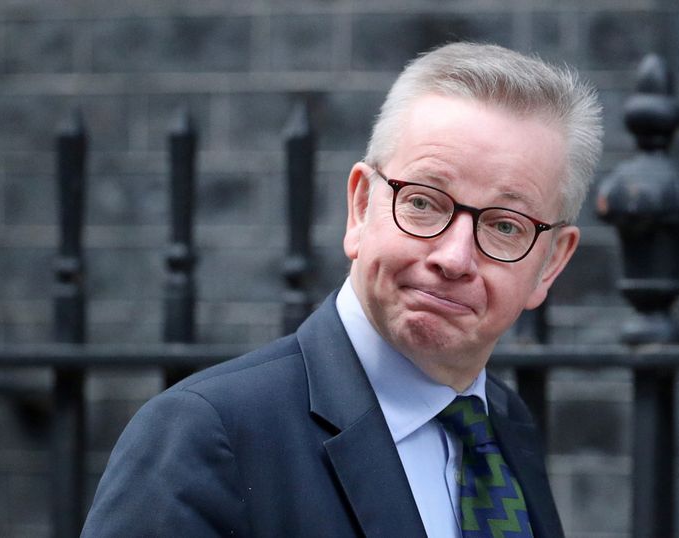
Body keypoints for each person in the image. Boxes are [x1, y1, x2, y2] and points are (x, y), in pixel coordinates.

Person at [81, 42, 602, 538]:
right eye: (423, 202)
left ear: (550, 264)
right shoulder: (208, 434)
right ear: (360, 207)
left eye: (505, 226)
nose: (454, 257)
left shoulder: (504, 425)